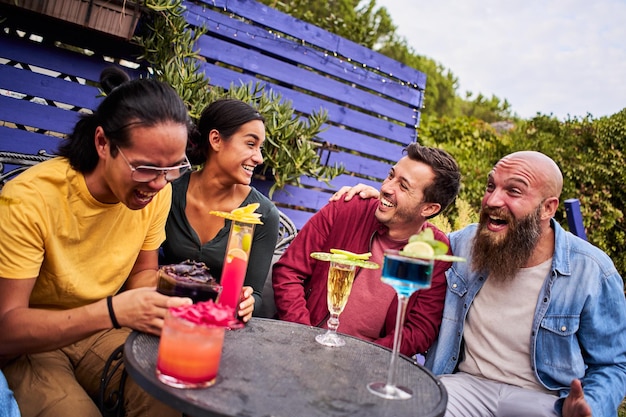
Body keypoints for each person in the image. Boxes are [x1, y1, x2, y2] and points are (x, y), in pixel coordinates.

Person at [0, 67, 193, 417]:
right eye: (146, 168)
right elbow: (6, 328)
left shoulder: (156, 190)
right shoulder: (29, 200)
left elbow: (143, 276)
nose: (160, 183)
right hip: (31, 343)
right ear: (103, 143)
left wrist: (196, 292)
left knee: (170, 396)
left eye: (173, 169)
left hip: (102, 329)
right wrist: (112, 311)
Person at [424, 151, 626, 417]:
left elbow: (611, 365)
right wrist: (372, 207)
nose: (493, 200)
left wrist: (592, 404)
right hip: (465, 388)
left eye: (514, 191)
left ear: (548, 208)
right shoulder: (464, 244)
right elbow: (409, 237)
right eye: (490, 186)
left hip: (545, 400)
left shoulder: (592, 271)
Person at [272, 143, 462, 356]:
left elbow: (419, 330)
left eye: (403, 186)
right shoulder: (346, 208)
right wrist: (304, 336)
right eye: (391, 176)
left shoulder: (433, 250)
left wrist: (365, 358)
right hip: (301, 343)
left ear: (429, 208)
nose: (387, 188)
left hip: (368, 366)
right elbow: (289, 271)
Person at [160, 98, 280, 316]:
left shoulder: (262, 214)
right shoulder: (168, 193)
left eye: (260, 148)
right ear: (216, 139)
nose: (259, 158)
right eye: (251, 144)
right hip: (164, 315)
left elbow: (256, 296)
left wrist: (248, 302)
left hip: (220, 323)